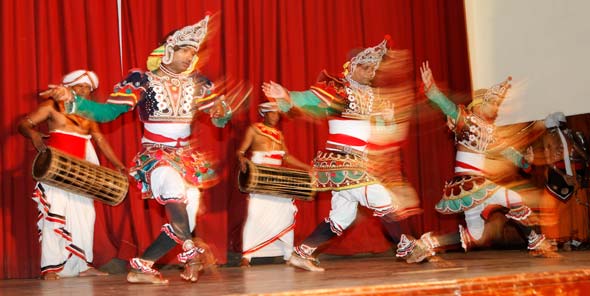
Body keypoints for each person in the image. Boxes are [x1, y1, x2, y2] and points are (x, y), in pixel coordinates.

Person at [40, 15, 232, 284]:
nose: (190, 56)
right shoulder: (142, 80)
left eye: (193, 51)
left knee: (184, 221)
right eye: (185, 50)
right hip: (156, 156)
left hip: (187, 158)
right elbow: (108, 112)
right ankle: (190, 250)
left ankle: (143, 265)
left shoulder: (199, 83)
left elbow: (219, 119)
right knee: (175, 197)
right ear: (168, 49)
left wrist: (223, 113)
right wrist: (75, 101)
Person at [262, 38, 422, 272]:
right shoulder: (338, 89)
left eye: (374, 68)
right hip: (342, 161)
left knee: (342, 218)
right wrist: (286, 95)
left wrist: (386, 119)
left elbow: (379, 132)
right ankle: (407, 247)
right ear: (352, 66)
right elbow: (309, 99)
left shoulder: (372, 96)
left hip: (359, 162)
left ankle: (301, 252)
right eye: (366, 67)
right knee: (382, 199)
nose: (371, 72)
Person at [395, 62, 558, 263]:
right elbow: (448, 107)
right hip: (471, 184)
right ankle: (535, 240)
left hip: (476, 187)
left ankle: (426, 243)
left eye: (498, 105)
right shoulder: (467, 121)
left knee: (476, 237)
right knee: (514, 198)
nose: (496, 109)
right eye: (493, 104)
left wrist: (526, 162)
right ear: (480, 104)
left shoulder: (490, 131)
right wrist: (433, 90)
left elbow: (509, 152)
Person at [19, 70, 125, 280]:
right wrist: (33, 134)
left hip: (81, 174)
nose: (84, 91)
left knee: (86, 217)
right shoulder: (50, 107)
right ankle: (50, 268)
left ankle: (82, 265)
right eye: (80, 87)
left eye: (88, 88)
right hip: (56, 171)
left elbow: (100, 140)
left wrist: (119, 165)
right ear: (68, 88)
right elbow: (24, 124)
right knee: (54, 217)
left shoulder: (88, 114)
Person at [236, 102, 311, 267]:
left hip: (277, 178)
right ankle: (247, 256)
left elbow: (287, 157)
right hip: (261, 176)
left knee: (285, 215)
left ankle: (288, 254)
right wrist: (242, 159)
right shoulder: (254, 129)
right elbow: (241, 151)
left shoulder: (279, 134)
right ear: (265, 113)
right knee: (255, 214)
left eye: (278, 114)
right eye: (273, 113)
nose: (276, 117)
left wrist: (307, 168)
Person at [540, 112, 589, 249]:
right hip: (561, 175)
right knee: (559, 207)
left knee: (571, 207)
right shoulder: (554, 137)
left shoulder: (567, 137)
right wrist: (565, 175)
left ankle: (569, 238)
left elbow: (583, 155)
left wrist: (575, 174)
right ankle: (560, 239)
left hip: (569, 175)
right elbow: (550, 161)